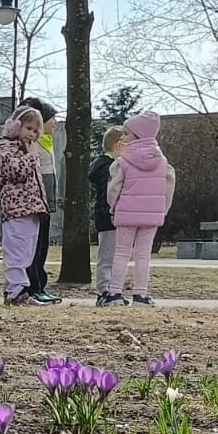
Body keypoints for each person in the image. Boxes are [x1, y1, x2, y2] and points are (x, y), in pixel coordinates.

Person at [105, 110, 175, 307]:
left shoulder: (122, 161)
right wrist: (162, 210)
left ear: (137, 135)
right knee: (143, 255)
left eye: (126, 133)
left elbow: (114, 188)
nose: (123, 137)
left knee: (121, 252)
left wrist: (113, 207)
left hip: (126, 213)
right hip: (152, 215)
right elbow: (168, 188)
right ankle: (141, 295)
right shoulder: (162, 162)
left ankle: (115, 293)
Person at [0, 106, 50, 306]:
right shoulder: (5, 147)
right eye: (28, 128)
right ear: (16, 126)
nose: (32, 134)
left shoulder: (26, 149)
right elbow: (15, 172)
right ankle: (14, 290)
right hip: (17, 208)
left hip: (31, 208)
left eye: (35, 131)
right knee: (16, 250)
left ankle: (19, 289)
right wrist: (31, 156)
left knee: (27, 251)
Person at [19, 95, 61, 303]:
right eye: (52, 117)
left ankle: (40, 285)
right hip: (35, 202)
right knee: (34, 248)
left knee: (42, 247)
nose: (56, 122)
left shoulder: (47, 141)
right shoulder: (30, 144)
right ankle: (32, 286)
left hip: (47, 202)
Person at [91, 125, 125, 306]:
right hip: (108, 217)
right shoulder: (109, 168)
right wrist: (112, 212)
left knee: (112, 256)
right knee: (107, 257)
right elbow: (108, 195)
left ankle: (111, 289)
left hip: (108, 216)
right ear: (119, 146)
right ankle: (104, 291)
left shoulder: (105, 166)